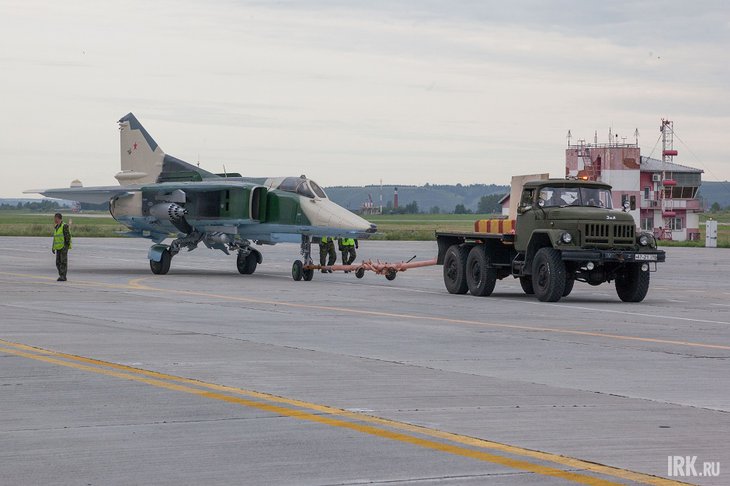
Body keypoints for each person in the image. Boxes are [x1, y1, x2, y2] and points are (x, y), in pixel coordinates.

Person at [52, 212, 72, 281]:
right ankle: (61, 275)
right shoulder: (56, 227)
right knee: (58, 262)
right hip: (58, 247)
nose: (54, 220)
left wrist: (66, 246)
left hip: (63, 247)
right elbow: (55, 238)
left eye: (55, 218)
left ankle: (63, 276)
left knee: (63, 262)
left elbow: (68, 236)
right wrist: (53, 247)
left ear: (58, 218)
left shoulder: (64, 226)